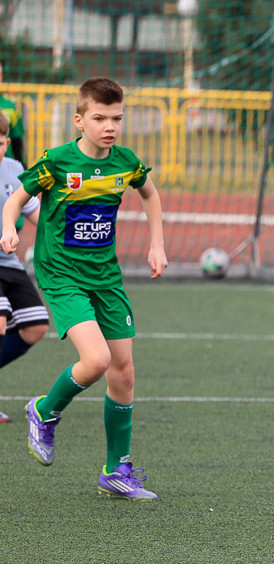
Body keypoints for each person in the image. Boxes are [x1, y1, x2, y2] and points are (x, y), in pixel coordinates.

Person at [0, 77, 168, 500]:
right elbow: (16, 199)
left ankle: (116, 469)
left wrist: (157, 243)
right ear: (80, 120)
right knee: (96, 360)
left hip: (105, 277)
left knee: (124, 371)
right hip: (62, 275)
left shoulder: (126, 162)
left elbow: (150, 194)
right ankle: (43, 410)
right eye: (99, 118)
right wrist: (8, 229)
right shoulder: (56, 161)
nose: (109, 125)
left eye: (117, 118)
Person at [0, 112, 49, 423]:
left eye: (1, 141)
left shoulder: (14, 168)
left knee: (35, 325)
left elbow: (35, 214)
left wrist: (66, 225)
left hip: (8, 261)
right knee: (0, 318)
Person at [0, 64, 27, 166]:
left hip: (5, 166)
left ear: (1, 77)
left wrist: (23, 169)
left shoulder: (10, 107)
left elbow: (17, 143)